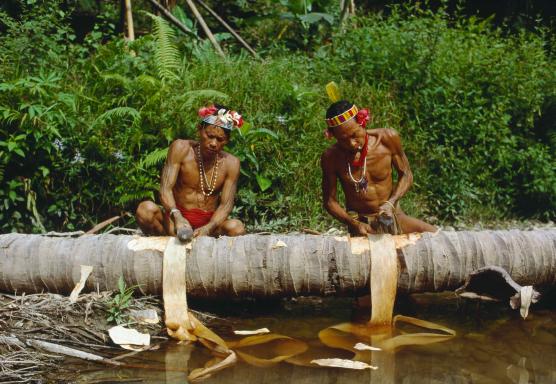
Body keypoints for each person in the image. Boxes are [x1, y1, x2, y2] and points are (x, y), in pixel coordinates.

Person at [321, 99, 436, 235]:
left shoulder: (387, 138)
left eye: (354, 135)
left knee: (437, 237)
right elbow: (330, 202)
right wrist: (354, 224)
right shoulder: (331, 157)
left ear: (362, 122)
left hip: (393, 215)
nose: (352, 143)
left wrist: (391, 203)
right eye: (343, 139)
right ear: (333, 136)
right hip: (362, 223)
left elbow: (406, 174)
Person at [136, 105, 246, 241]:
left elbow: (226, 205)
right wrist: (177, 216)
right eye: (210, 136)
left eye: (220, 139)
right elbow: (165, 189)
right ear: (200, 130)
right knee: (145, 210)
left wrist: (208, 228)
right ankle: (164, 242)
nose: (213, 143)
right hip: (175, 220)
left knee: (236, 227)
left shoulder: (231, 163)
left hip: (209, 226)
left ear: (227, 141)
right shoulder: (181, 148)